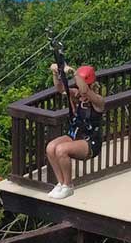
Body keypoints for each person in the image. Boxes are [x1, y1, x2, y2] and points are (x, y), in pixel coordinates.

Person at [45, 62, 106, 200]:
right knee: (50, 148)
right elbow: (60, 88)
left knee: (61, 150)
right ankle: (60, 183)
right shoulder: (76, 94)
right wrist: (56, 72)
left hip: (90, 141)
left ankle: (68, 185)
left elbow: (85, 91)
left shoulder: (98, 101)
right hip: (74, 135)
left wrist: (73, 73)